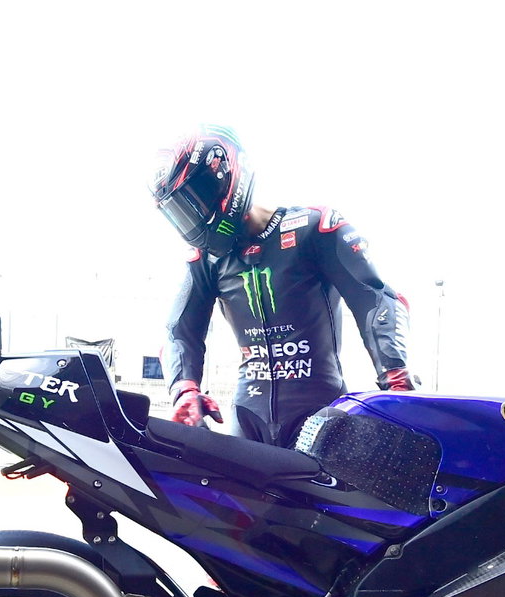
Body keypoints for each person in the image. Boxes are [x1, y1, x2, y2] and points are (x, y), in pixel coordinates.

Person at [151, 125, 413, 448]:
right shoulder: (206, 260)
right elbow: (179, 331)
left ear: (224, 176)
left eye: (194, 203)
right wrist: (185, 391)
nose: (191, 220)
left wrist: (396, 379)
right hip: (248, 421)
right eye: (180, 212)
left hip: (322, 420)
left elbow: (375, 299)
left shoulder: (315, 228)